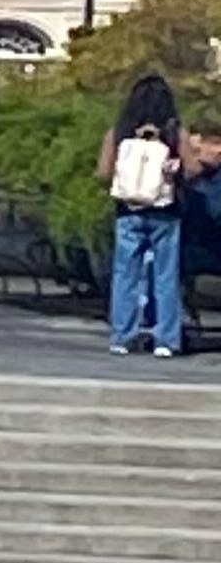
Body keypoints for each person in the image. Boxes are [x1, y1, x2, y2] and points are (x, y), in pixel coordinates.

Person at [106, 69, 188, 358]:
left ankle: (122, 336)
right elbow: (190, 169)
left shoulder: (120, 131)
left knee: (124, 274)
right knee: (166, 275)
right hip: (165, 211)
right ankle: (166, 339)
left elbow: (103, 171)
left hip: (127, 210)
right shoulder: (173, 131)